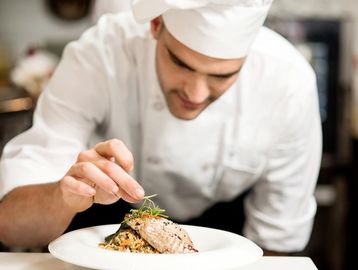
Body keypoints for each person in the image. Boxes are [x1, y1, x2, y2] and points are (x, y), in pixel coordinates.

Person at [0, 0, 322, 255]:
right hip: (110, 223)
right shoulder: (100, 54)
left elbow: (277, 242)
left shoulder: (289, 85)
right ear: (156, 25)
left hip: (228, 235)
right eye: (180, 62)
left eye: (221, 76)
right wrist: (63, 197)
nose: (194, 94)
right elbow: (9, 223)